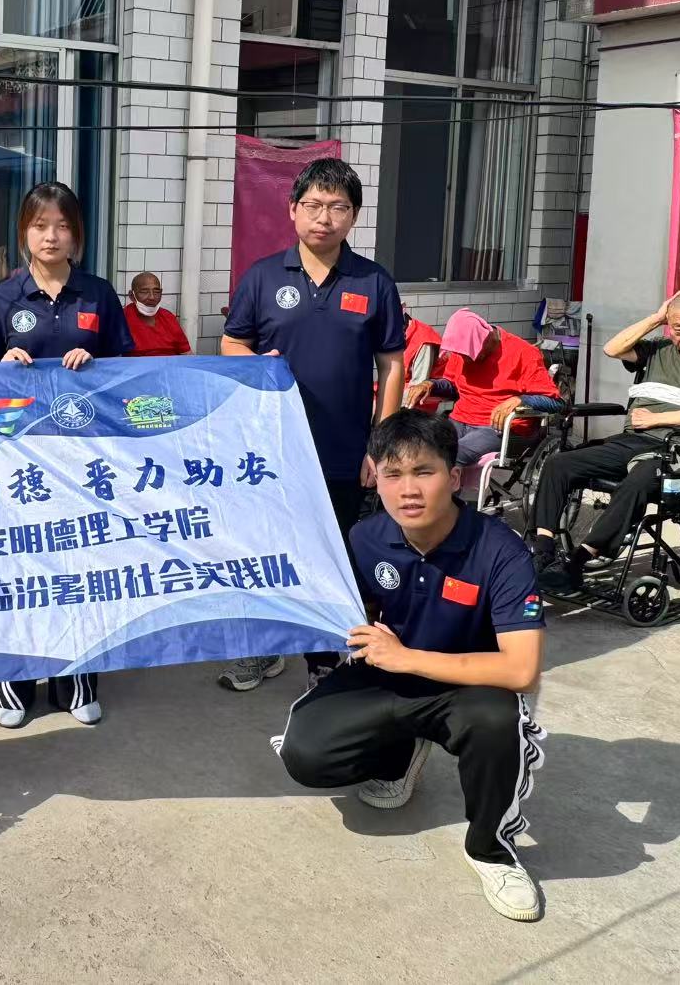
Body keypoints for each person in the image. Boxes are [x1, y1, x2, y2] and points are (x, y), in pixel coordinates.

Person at [273, 410, 547, 922]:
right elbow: (353, 614)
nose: (408, 490)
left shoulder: (501, 551)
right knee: (305, 753)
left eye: (424, 471)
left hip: (467, 684)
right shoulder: (366, 537)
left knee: (497, 720)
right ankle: (398, 758)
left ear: (455, 476)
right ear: (375, 478)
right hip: (389, 673)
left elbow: (521, 670)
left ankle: (492, 850)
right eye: (392, 474)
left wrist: (408, 658)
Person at [216, 157, 406, 691]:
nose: (325, 217)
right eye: (314, 205)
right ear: (293, 210)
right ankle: (264, 649)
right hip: (272, 450)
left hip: (345, 449)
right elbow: (232, 342)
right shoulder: (262, 276)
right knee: (267, 551)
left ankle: (324, 663)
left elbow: (392, 365)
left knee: (332, 555)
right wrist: (255, 364)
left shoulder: (374, 281)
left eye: (338, 207)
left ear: (353, 216)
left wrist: (380, 443)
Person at [0, 180, 133, 728]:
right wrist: (0, 369)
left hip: (82, 457)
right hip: (16, 460)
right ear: (24, 233)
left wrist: (97, 365)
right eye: (40, 226)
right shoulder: (1, 300)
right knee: (15, 564)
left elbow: (125, 376)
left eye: (62, 226)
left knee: (79, 562)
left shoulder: (99, 295)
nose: (51, 236)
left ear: (76, 235)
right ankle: (12, 682)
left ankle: (77, 678)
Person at [532, 290, 680, 592]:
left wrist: (656, 419)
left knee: (638, 480)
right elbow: (612, 348)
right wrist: (657, 318)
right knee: (560, 464)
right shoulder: (660, 348)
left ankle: (579, 560)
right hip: (635, 440)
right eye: (679, 329)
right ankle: (543, 550)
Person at [410, 309, 559, 467]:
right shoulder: (460, 351)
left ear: (486, 338)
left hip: (498, 428)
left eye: (469, 355)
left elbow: (556, 403)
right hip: (460, 419)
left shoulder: (524, 353)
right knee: (422, 450)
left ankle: (448, 483)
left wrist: (520, 400)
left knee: (451, 455)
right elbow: (453, 386)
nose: (464, 360)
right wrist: (431, 385)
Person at [122, 271, 192, 358]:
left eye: (156, 292)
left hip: (170, 365)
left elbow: (186, 354)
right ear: (132, 296)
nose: (152, 297)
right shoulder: (122, 319)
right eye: (144, 292)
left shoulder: (168, 317)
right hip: (135, 366)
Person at [403, 304, 444, 412]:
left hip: (420, 401)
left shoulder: (424, 340)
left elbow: (417, 390)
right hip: (403, 386)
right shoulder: (400, 333)